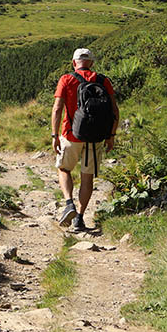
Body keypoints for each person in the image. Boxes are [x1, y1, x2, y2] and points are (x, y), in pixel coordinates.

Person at [51, 47, 119, 233]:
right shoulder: (103, 80)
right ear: (92, 63)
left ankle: (69, 204)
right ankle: (80, 218)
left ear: (74, 63)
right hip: (95, 137)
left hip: (71, 135)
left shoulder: (66, 79)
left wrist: (55, 135)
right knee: (87, 178)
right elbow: (114, 111)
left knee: (64, 169)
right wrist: (111, 136)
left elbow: (57, 109)